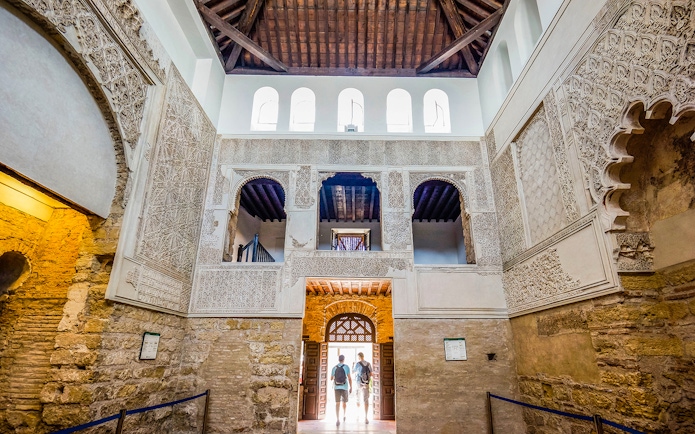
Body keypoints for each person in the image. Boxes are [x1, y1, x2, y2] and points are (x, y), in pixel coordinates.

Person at [330, 354, 352, 427]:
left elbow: (331, 378)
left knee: (337, 403)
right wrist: (351, 387)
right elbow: (349, 378)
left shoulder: (334, 368)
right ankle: (344, 415)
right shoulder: (346, 367)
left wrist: (335, 378)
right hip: (344, 387)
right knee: (344, 402)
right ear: (344, 359)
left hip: (336, 387)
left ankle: (337, 419)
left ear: (338, 359)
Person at [354, 352, 372, 424]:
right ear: (363, 356)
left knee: (358, 399)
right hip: (366, 383)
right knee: (366, 400)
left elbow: (353, 371)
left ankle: (358, 416)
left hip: (359, 383)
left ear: (359, 357)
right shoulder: (368, 364)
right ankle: (366, 417)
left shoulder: (358, 364)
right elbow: (371, 374)